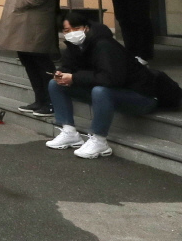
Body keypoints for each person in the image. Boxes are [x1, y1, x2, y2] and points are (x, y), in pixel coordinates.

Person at [44, 9, 159, 159]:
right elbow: (68, 66)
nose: (72, 33)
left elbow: (111, 79)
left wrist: (74, 78)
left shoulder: (104, 45)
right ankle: (69, 132)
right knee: (55, 84)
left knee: (100, 90)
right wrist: (61, 73)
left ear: (86, 27)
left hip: (141, 97)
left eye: (76, 28)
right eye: (67, 30)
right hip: (113, 93)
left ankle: (99, 140)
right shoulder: (74, 46)